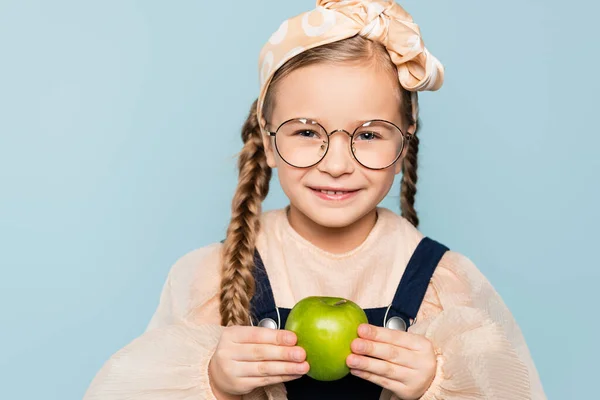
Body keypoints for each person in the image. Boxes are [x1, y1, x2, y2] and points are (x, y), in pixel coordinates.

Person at [84, 1, 546, 399]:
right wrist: (214, 381)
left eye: (367, 134)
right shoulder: (208, 277)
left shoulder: (448, 285)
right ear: (267, 142)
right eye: (306, 132)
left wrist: (438, 382)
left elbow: (516, 388)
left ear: (405, 143)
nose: (337, 163)